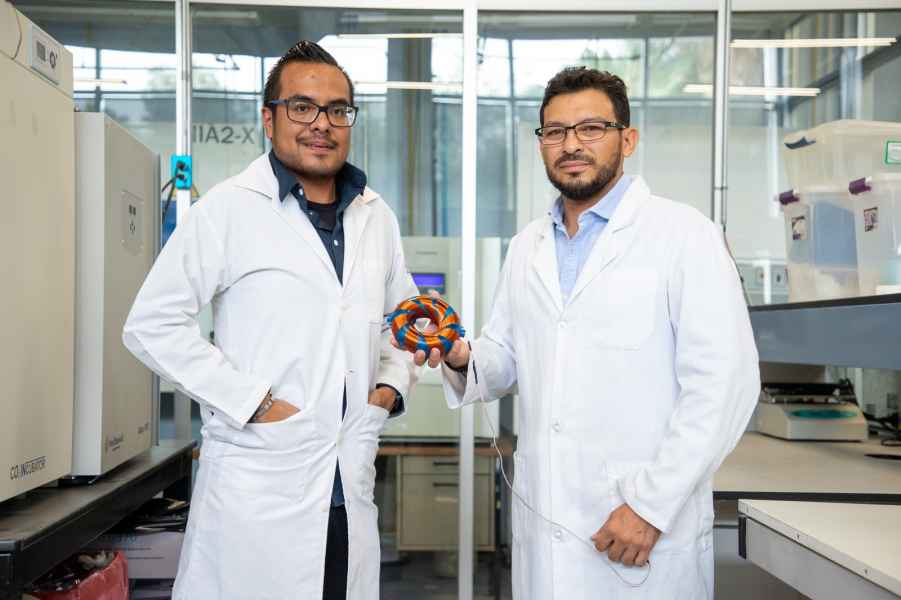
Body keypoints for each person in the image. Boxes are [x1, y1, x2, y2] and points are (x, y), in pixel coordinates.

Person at [402, 67, 760, 599]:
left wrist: (651, 506)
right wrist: (459, 355)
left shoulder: (685, 236)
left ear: (627, 139)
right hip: (547, 527)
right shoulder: (527, 246)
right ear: (542, 144)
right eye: (555, 131)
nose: (571, 145)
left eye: (591, 128)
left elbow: (724, 385)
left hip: (641, 531)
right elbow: (506, 357)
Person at [123, 41, 417, 600]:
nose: (321, 124)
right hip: (258, 489)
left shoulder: (375, 215)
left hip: (347, 487)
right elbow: (151, 324)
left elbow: (403, 322)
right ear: (269, 118)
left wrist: (389, 388)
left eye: (337, 110)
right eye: (302, 107)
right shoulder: (228, 209)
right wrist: (253, 402)